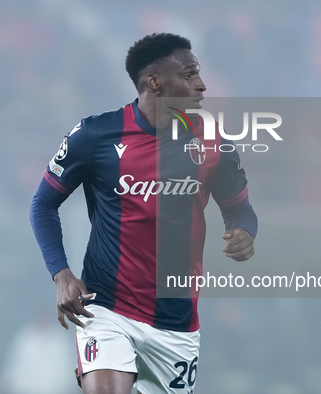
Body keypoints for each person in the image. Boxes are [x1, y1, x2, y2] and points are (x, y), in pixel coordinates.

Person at [30, 32, 257, 394]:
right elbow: (43, 204)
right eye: (188, 75)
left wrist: (245, 233)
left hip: (176, 323)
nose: (201, 85)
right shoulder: (94, 135)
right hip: (105, 307)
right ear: (154, 82)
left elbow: (240, 210)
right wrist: (61, 274)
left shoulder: (215, 142)